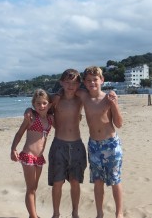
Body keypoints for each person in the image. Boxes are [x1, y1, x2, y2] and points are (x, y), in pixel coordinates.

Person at [76, 66, 124, 218]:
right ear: (84, 82)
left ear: (102, 80)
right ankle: (99, 213)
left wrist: (114, 104)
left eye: (95, 80)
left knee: (115, 180)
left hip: (111, 144)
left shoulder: (108, 98)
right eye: (88, 80)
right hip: (94, 145)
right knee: (98, 181)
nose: (92, 83)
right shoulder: (83, 96)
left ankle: (119, 213)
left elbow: (119, 123)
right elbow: (67, 89)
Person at [48, 69, 87, 218]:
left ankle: (75, 213)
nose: (71, 86)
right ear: (61, 83)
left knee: (75, 182)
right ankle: (56, 214)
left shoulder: (81, 98)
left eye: (75, 83)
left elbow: (95, 95)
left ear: (79, 84)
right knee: (57, 182)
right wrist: (28, 110)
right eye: (67, 82)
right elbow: (39, 106)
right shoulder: (54, 99)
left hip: (77, 145)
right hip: (59, 145)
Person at [10, 88, 54, 218]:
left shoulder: (50, 119)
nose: (41, 106)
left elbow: (59, 102)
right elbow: (19, 133)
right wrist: (13, 149)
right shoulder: (31, 118)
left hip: (39, 158)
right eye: (38, 103)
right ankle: (33, 216)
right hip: (28, 155)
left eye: (44, 103)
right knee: (30, 189)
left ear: (49, 104)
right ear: (33, 105)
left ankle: (32, 214)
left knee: (34, 188)